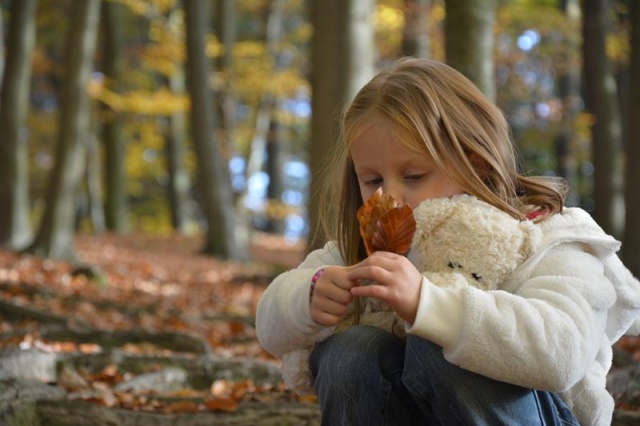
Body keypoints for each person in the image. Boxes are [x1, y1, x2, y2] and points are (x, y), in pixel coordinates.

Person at [255, 58, 640, 426]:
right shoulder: (363, 248)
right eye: (373, 180)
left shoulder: (547, 234)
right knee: (351, 349)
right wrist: (308, 296)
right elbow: (270, 327)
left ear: (476, 164)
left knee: (437, 349)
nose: (388, 196)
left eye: (414, 175)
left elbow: (562, 353)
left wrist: (429, 305)